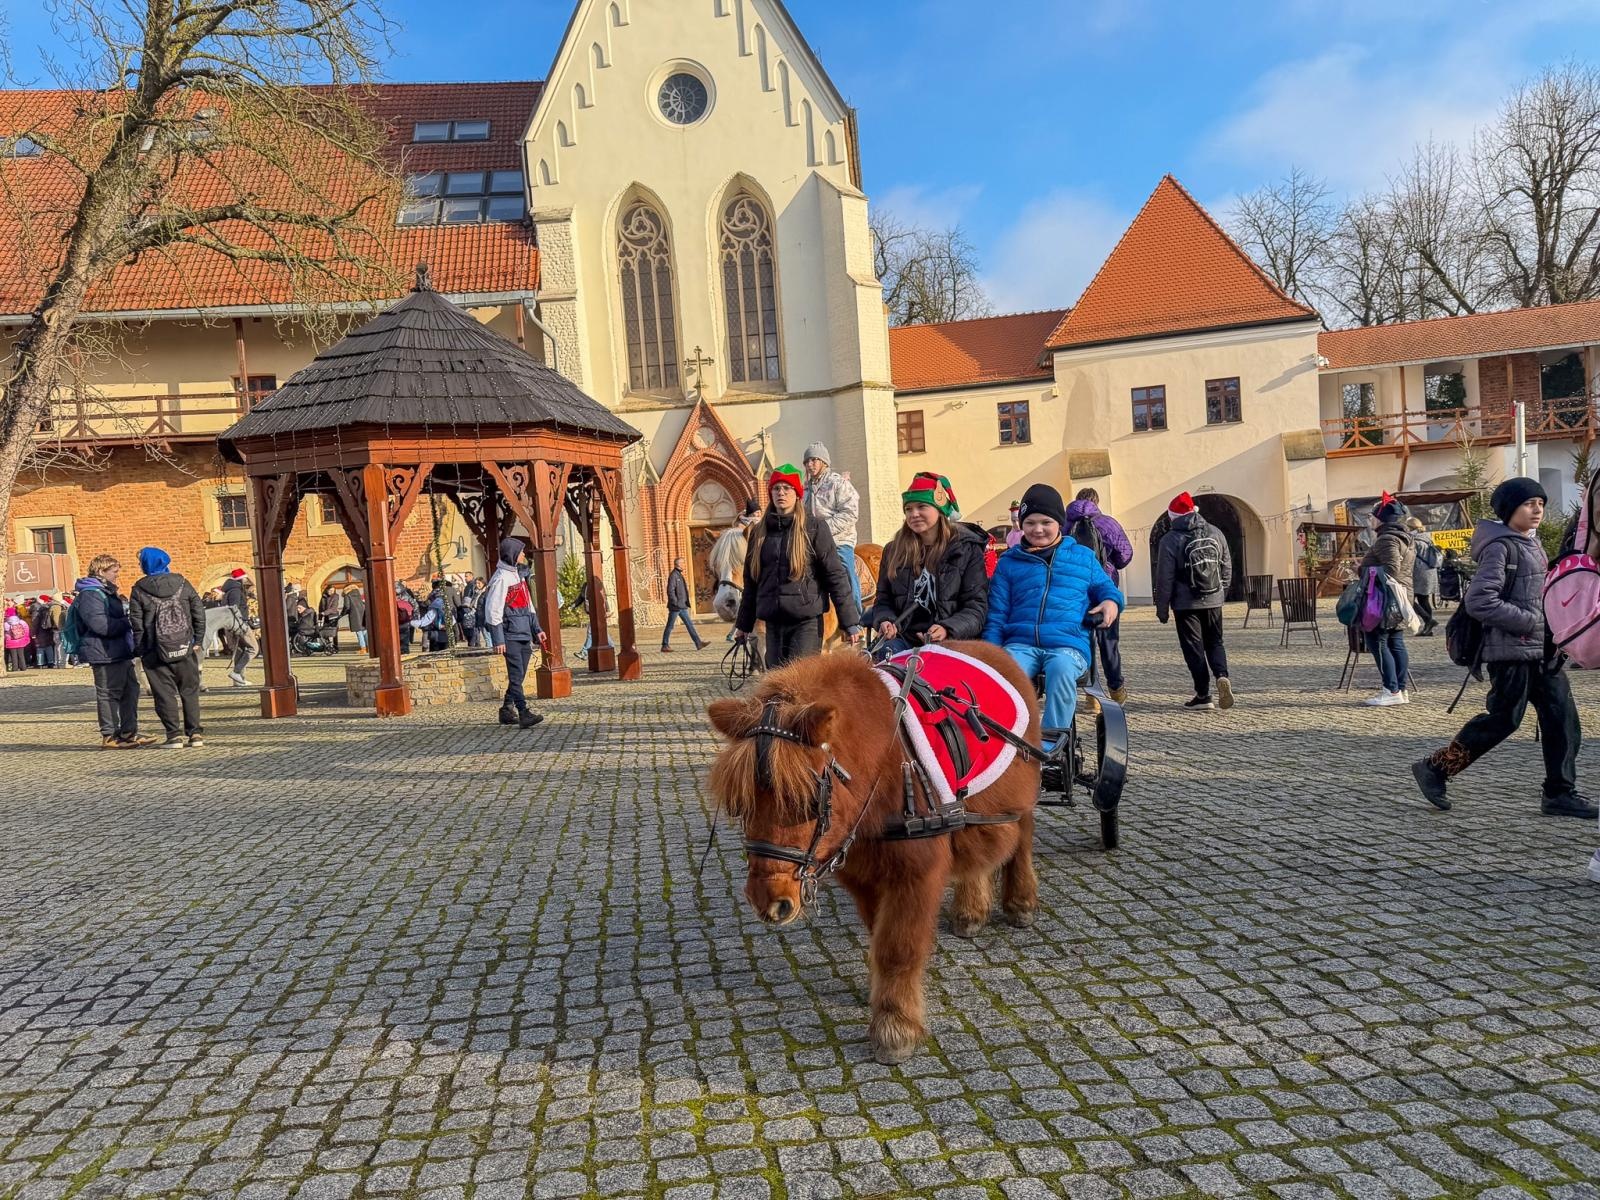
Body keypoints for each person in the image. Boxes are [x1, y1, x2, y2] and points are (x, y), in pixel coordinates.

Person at [1413, 478, 1595, 819]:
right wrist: (1528, 621)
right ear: (1509, 510)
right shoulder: (1501, 547)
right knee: (1503, 720)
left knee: (1562, 719)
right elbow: (1480, 600)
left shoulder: (1531, 543)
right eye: (1529, 504)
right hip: (1511, 652)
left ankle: (1560, 792)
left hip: (1544, 652)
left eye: (1540, 503)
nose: (1537, 509)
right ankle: (1435, 768)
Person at [983, 483, 1123, 742]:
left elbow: (1107, 589)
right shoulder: (1009, 563)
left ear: (1059, 523)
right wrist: (992, 653)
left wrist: (1111, 603)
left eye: (1046, 522)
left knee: (1060, 668)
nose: (1038, 529)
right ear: (1022, 525)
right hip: (1020, 643)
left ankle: (1050, 742)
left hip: (1067, 644)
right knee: (1008, 675)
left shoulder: (1082, 557)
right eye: (1030, 522)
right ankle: (1011, 739)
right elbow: (997, 614)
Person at [735, 464, 863, 667]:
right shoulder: (759, 533)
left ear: (797, 493)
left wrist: (850, 622)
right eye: (777, 489)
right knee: (776, 685)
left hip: (806, 622)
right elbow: (751, 582)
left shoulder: (814, 528)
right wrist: (743, 624)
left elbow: (835, 575)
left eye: (787, 488)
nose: (781, 493)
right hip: (773, 623)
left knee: (802, 685)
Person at [868, 472, 988, 655]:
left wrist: (947, 629)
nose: (913, 514)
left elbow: (976, 607)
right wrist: (885, 620)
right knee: (883, 669)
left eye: (921, 506)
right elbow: (884, 600)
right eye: (908, 509)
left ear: (940, 510)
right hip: (904, 639)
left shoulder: (967, 549)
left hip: (952, 641)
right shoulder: (893, 550)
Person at [1154, 491, 1234, 710]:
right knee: (1215, 642)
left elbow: (1165, 578)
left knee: (1194, 648)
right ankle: (1221, 675)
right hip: (1214, 599)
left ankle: (1203, 694)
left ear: (1173, 517)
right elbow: (1226, 565)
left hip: (1185, 604)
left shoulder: (1170, 540)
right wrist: (1221, 593)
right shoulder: (1216, 532)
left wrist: (1162, 609)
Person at [128, 546, 207, 749]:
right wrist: (197, 640)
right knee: (190, 691)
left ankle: (174, 736)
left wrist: (140, 649)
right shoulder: (182, 582)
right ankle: (195, 734)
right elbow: (199, 612)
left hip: (155, 650)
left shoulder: (139, 588)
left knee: (164, 694)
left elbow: (136, 623)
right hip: (184, 646)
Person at [73, 556, 154, 748]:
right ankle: (109, 736)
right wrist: (129, 621)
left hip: (118, 651)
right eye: (114, 572)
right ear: (101, 571)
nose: (117, 576)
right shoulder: (90, 594)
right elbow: (100, 625)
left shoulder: (105, 592)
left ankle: (128, 732)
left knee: (130, 691)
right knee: (108, 694)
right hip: (103, 652)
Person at [1063, 487, 1135, 704]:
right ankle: (1116, 688)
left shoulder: (1065, 524)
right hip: (1104, 590)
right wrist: (1109, 564)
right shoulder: (1108, 523)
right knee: (1109, 642)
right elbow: (1125, 555)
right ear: (1097, 501)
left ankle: (1090, 695)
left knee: (1084, 641)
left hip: (1076, 591)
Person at [1356, 493, 1418, 707]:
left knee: (1378, 641)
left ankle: (1391, 689)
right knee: (1395, 642)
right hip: (1399, 596)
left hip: (1383, 600)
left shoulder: (1387, 539)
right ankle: (1400, 689)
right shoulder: (1404, 537)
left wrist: (1363, 569)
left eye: (1373, 516)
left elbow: (1391, 568)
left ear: (1382, 519)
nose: (1370, 520)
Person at [483, 536, 549, 729]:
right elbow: (493, 609)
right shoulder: (501, 578)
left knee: (518, 675)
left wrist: (537, 629)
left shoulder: (518, 576)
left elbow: (528, 606)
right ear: (512, 554)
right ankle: (523, 711)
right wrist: (498, 639)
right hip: (510, 633)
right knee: (515, 674)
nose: (523, 554)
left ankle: (506, 709)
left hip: (523, 632)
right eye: (520, 551)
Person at [801, 442, 862, 610]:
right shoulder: (805, 488)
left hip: (839, 540)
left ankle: (856, 616)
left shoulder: (838, 483)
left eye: (814, 460)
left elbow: (850, 513)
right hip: (812, 541)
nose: (809, 465)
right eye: (807, 461)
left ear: (824, 462)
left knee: (845, 572)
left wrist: (823, 530)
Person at [662, 557, 706, 652]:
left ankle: (698, 643)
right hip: (676, 607)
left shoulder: (679, 575)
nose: (684, 565)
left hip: (682, 606)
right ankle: (665, 645)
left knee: (689, 625)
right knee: (670, 625)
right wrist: (675, 602)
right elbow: (670, 590)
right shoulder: (674, 575)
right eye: (683, 563)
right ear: (678, 564)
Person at [1407, 517, 1441, 636]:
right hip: (1430, 571)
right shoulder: (1427, 537)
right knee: (1424, 600)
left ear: (1409, 527)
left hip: (1418, 573)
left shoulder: (1413, 539)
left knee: (1408, 599)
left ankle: (1429, 621)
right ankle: (1428, 628)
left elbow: (1409, 557)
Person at [31, 594, 63, 668]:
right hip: (47, 629)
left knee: (40, 647)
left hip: (40, 630)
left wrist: (33, 632)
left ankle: (40, 663)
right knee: (49, 646)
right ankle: (51, 662)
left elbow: (35, 622)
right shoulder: (47, 607)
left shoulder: (36, 609)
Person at [4, 605, 30, 672]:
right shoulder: (21, 622)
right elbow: (27, 629)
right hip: (21, 641)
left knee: (13, 656)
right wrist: (26, 638)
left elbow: (4, 632)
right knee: (21, 655)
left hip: (11, 642)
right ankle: (23, 667)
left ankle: (15, 668)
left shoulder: (6, 623)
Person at [320, 585, 346, 650]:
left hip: (333, 616)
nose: (331, 592)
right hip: (325, 616)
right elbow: (320, 607)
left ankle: (335, 646)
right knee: (324, 631)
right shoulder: (323, 596)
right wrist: (320, 615)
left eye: (332, 591)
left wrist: (324, 612)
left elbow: (333, 608)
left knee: (334, 632)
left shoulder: (335, 596)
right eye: (330, 590)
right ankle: (328, 645)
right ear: (327, 590)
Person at [344, 587, 368, 653]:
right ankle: (369, 647)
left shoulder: (347, 596)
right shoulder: (359, 595)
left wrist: (343, 613)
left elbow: (347, 606)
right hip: (363, 615)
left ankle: (363, 648)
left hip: (355, 616)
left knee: (359, 632)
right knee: (365, 631)